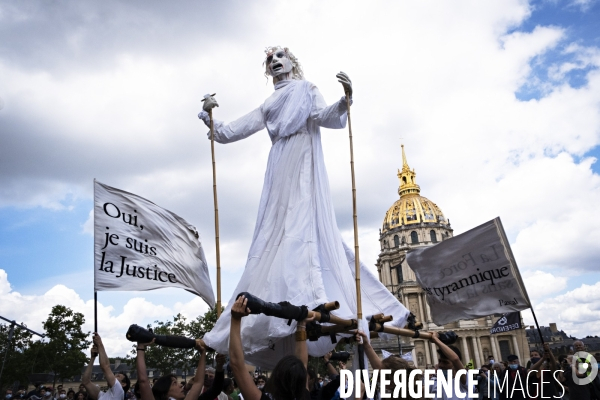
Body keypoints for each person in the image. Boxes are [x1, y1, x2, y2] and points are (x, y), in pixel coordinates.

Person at [199, 46, 410, 367]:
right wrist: (210, 117)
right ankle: (285, 296)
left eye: (281, 57)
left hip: (302, 156)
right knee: (274, 229)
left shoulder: (306, 89)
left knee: (301, 223)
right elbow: (232, 132)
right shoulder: (269, 102)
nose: (276, 62)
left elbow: (324, 117)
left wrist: (345, 99)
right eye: (271, 60)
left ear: (292, 63)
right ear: (268, 70)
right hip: (278, 163)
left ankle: (308, 294)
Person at [229, 294, 313, 400]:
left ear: (275, 378)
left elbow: (237, 364)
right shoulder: (304, 397)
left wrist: (235, 318)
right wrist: (301, 325)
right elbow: (303, 362)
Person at [82, 333, 131, 400]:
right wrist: (92, 358)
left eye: (118, 376)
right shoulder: (102, 395)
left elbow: (105, 366)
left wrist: (100, 344)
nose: (114, 376)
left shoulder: (120, 391)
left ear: (123, 384)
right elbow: (86, 382)